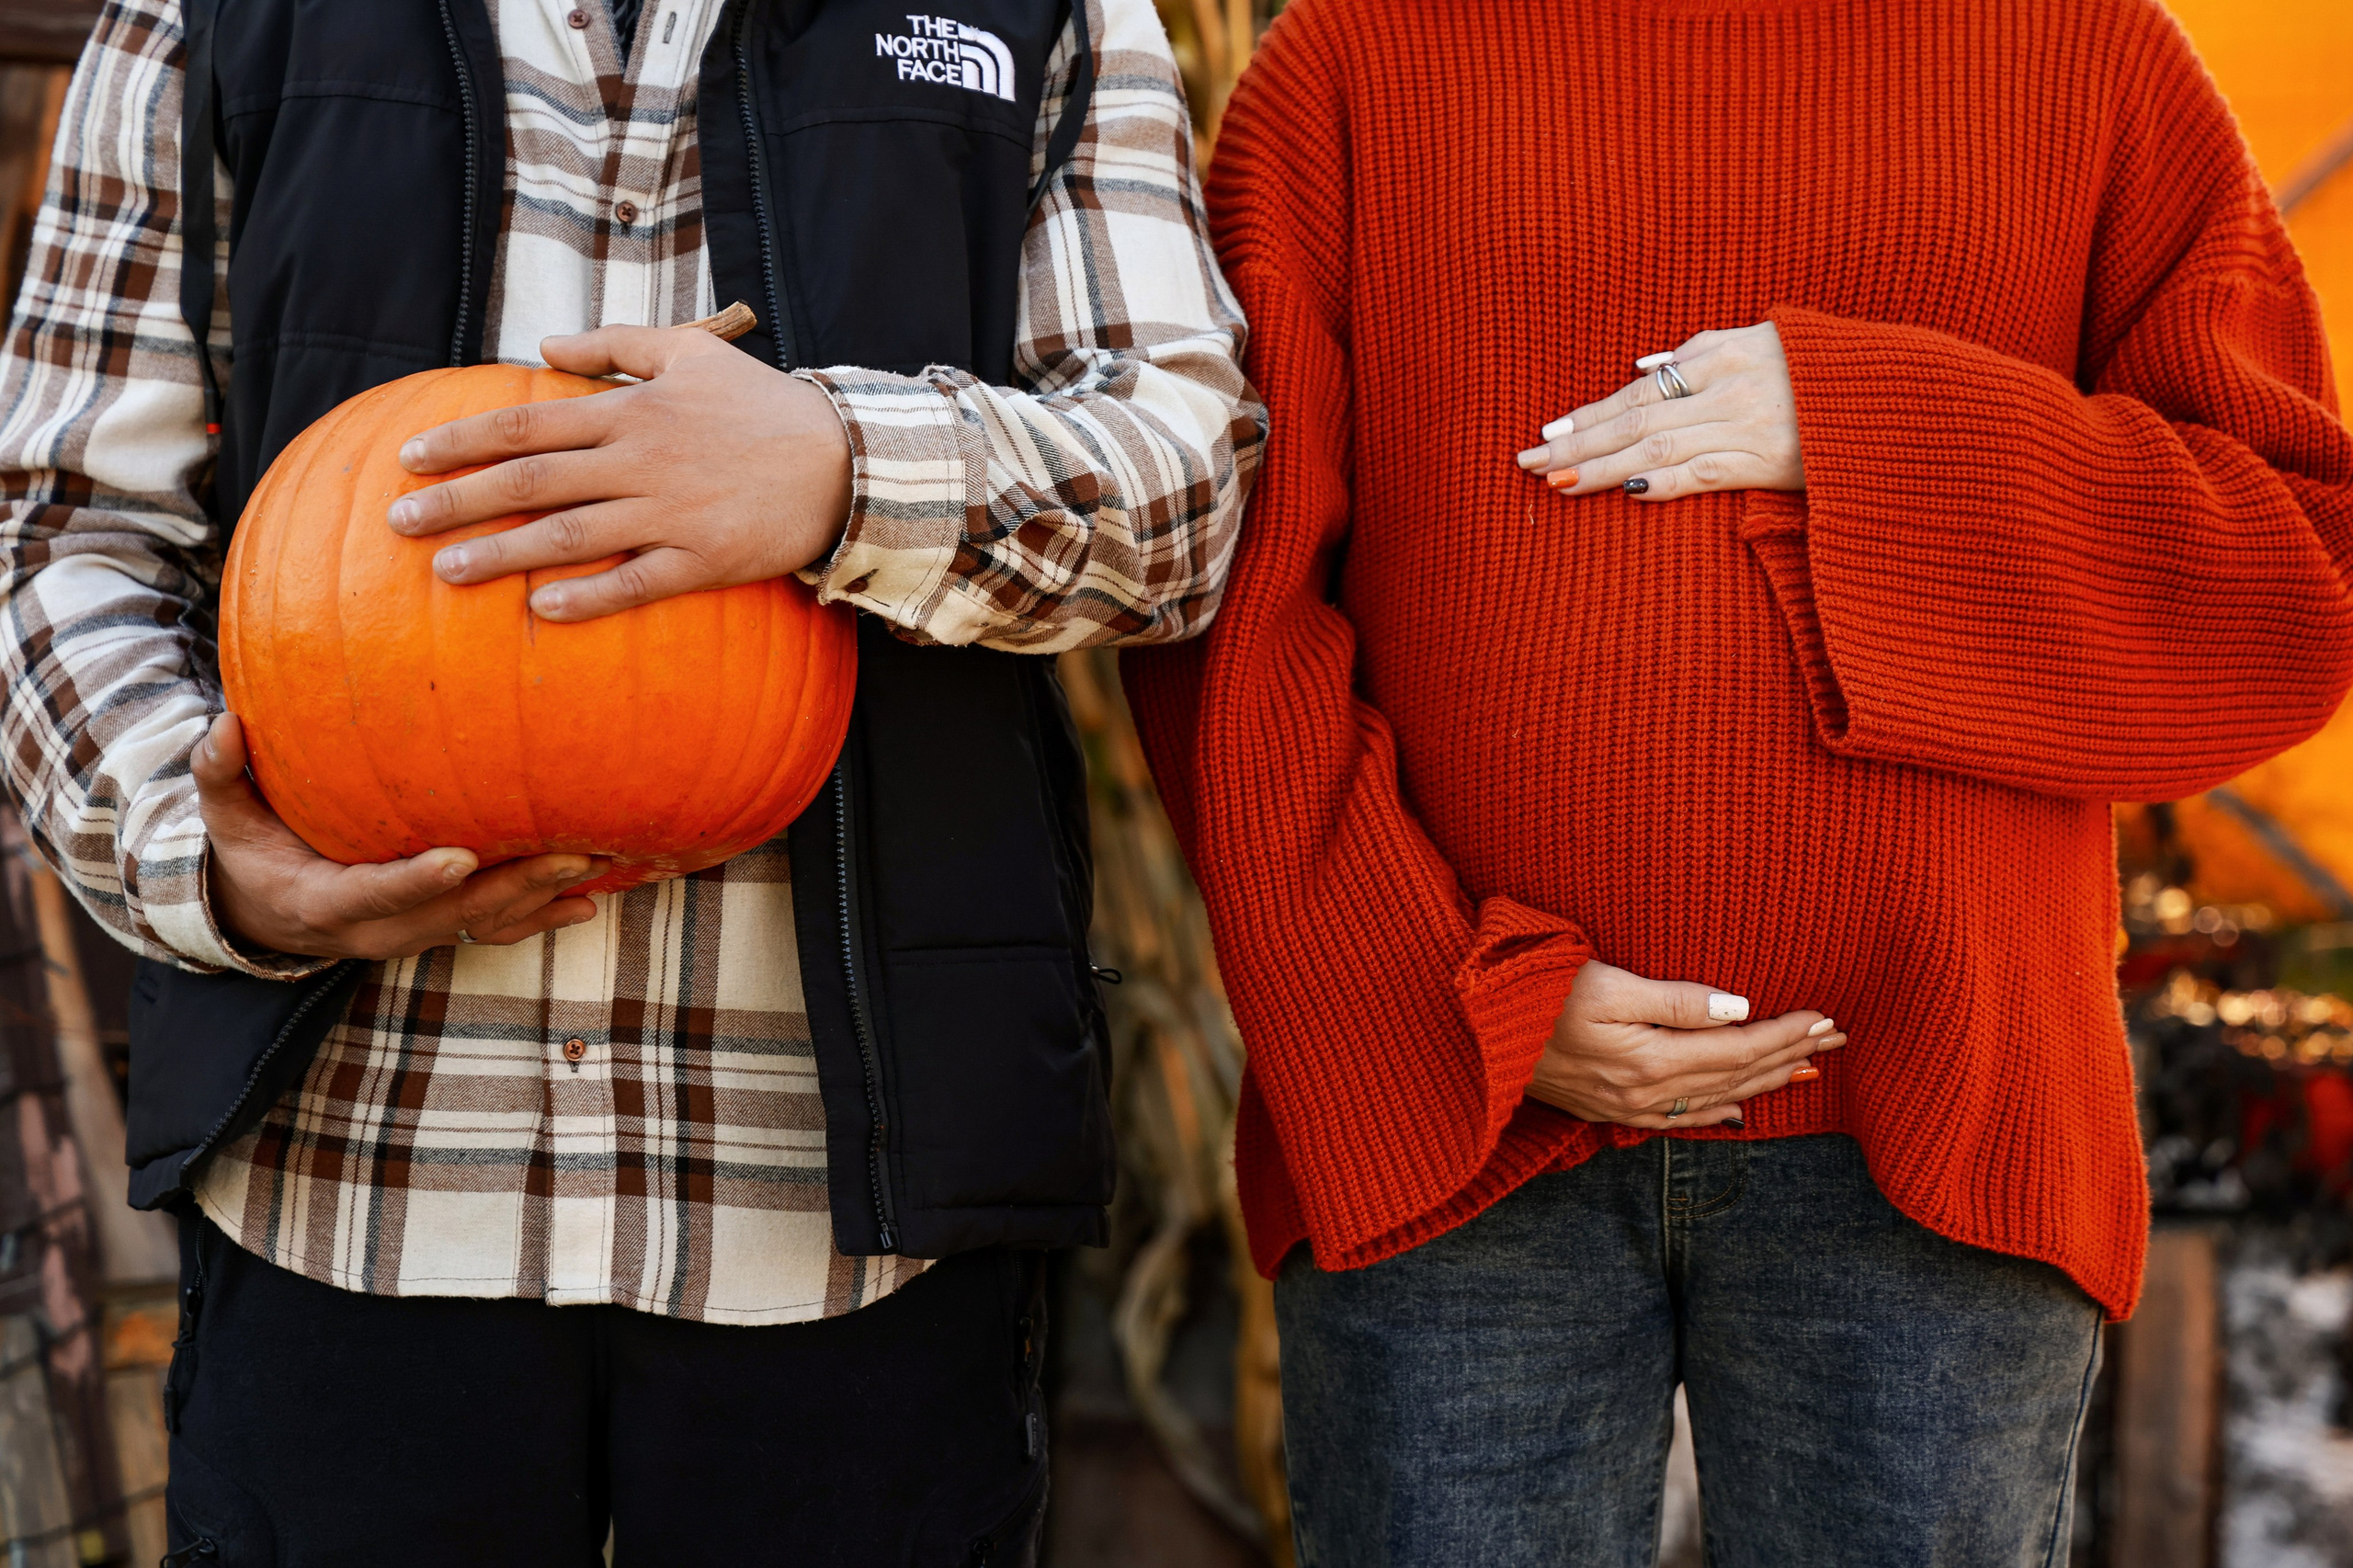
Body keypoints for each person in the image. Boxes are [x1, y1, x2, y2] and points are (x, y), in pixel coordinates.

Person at [0, 0, 1259, 1559]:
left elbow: (1186, 491)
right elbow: (63, 528)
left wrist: (832, 470)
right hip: (351, 1178)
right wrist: (208, 850)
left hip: (851, 1218)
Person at [1123, 0, 2353, 1562]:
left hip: (1937, 1127)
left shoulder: (2086, 54)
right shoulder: (1356, 61)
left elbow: (2291, 587)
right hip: (1455, 1126)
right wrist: (1454, 999)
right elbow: (1223, 614)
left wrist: (1862, 429)